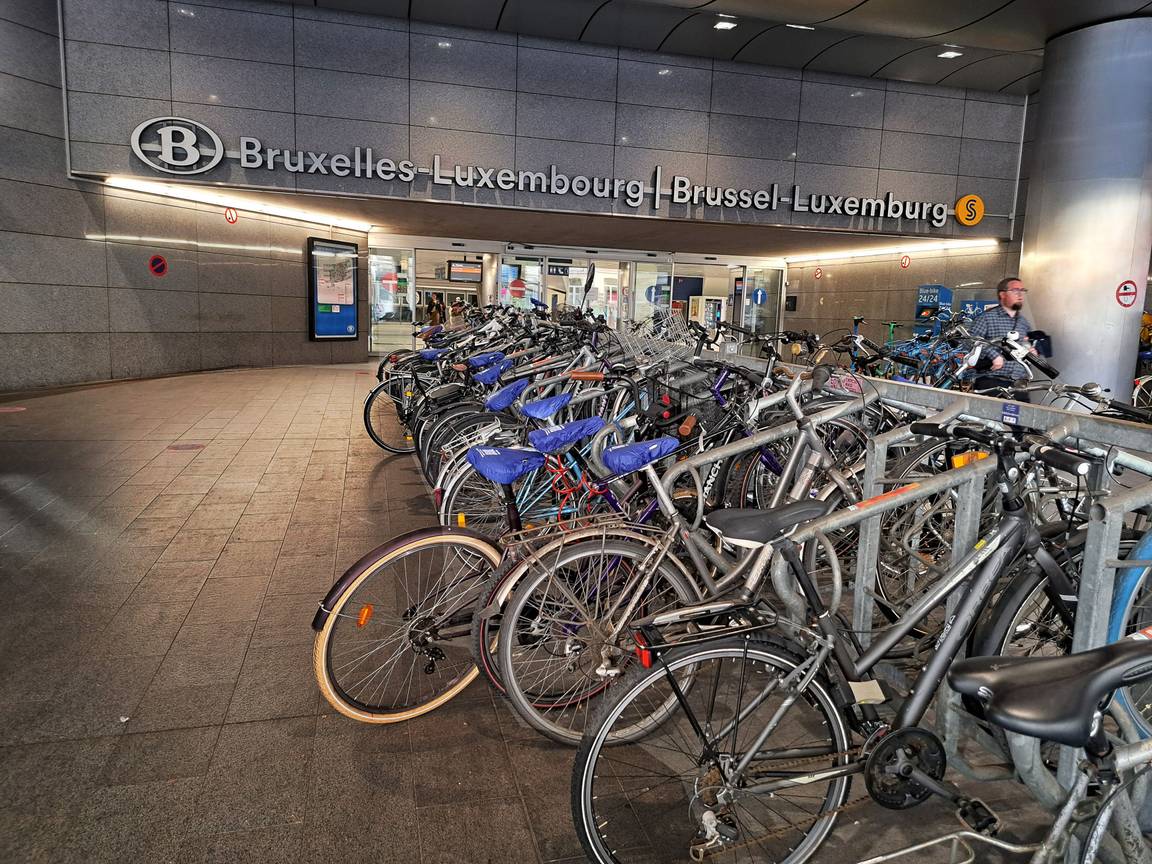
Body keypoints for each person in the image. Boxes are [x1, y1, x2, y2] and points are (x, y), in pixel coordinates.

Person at [968, 276, 1037, 398]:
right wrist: (993, 355)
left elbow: (1026, 345)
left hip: (1019, 385)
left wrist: (1031, 352)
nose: (1020, 294)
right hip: (991, 382)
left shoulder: (1024, 323)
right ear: (1002, 294)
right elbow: (970, 340)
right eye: (1015, 290)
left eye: (1022, 290)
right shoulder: (987, 318)